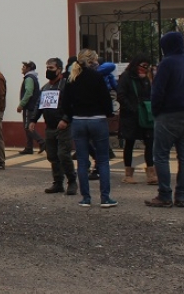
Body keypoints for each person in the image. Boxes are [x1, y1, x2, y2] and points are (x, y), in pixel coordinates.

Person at [146, 32, 184, 207]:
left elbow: (158, 91)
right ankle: (181, 196)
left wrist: (156, 111)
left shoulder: (167, 64)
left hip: (168, 113)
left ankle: (164, 195)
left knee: (161, 155)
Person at [59, 49, 116, 208]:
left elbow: (65, 103)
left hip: (78, 120)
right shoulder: (98, 77)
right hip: (97, 119)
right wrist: (108, 113)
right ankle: (105, 198)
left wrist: (71, 116)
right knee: (103, 160)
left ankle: (86, 198)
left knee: (82, 161)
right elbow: (106, 99)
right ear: (92, 62)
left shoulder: (72, 78)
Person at [40, 57, 77, 195]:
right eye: (47, 68)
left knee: (63, 154)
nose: (48, 70)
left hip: (63, 126)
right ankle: (57, 182)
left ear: (59, 70)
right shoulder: (45, 87)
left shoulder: (66, 85)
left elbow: (72, 104)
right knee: (52, 156)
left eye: (51, 68)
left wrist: (66, 119)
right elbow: (40, 105)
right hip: (50, 126)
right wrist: (32, 120)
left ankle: (72, 181)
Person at [116, 54, 155, 185]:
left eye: (147, 66)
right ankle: (128, 173)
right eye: (143, 66)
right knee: (129, 143)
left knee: (149, 142)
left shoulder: (146, 79)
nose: (145, 69)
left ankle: (151, 172)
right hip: (130, 115)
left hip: (145, 114)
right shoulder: (126, 77)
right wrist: (132, 108)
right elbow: (121, 95)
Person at [16, 61, 43, 154]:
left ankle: (42, 142)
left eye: (24, 67)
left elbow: (28, 93)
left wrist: (21, 105)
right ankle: (29, 147)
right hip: (33, 105)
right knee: (27, 126)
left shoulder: (29, 78)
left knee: (28, 127)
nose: (22, 68)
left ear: (28, 68)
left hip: (29, 106)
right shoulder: (33, 78)